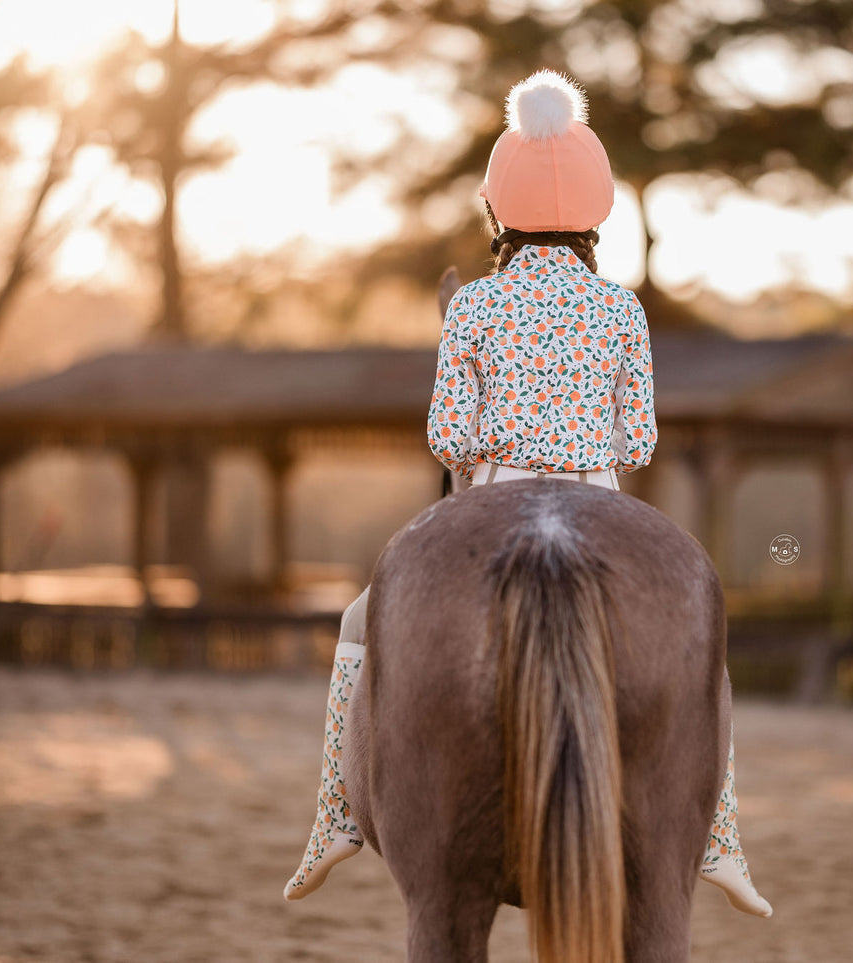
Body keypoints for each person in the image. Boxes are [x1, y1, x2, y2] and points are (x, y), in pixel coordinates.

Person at [283, 69, 772, 919]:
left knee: (360, 622)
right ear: (597, 214)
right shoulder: (620, 309)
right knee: (702, 642)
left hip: (493, 487)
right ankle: (720, 834)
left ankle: (333, 814)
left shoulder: (473, 305)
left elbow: (446, 436)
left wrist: (498, 444)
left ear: (494, 212)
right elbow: (640, 439)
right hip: (600, 490)